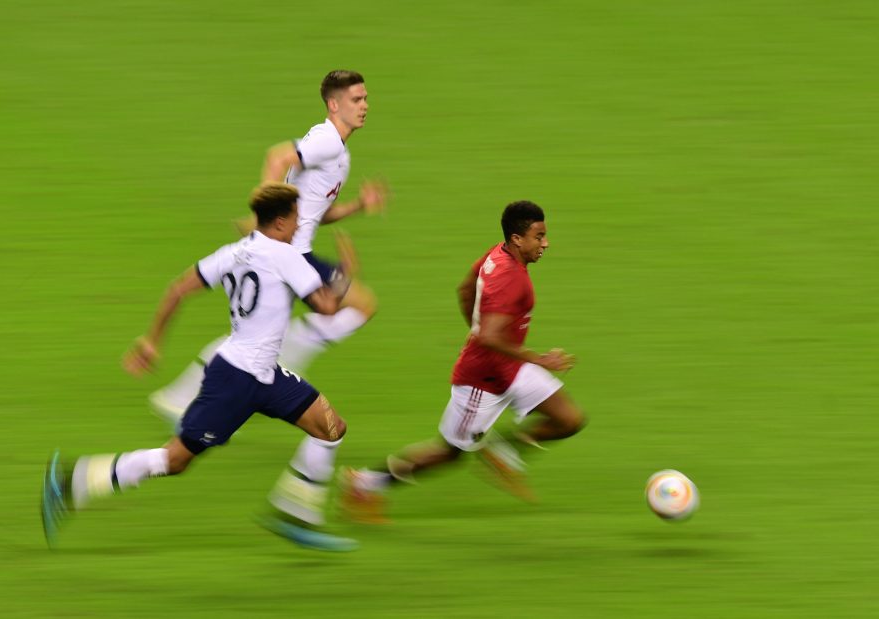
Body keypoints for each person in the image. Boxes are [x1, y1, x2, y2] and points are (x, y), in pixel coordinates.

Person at [41, 183, 360, 551]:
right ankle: (72, 482)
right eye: (295, 217)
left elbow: (178, 288)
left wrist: (152, 340)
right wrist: (345, 274)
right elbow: (328, 308)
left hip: (263, 374)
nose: (300, 223)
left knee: (331, 427)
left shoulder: (232, 253)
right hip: (237, 382)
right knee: (174, 460)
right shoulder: (287, 257)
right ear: (280, 222)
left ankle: (296, 512)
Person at [149, 70, 388, 425]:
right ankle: (288, 356)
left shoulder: (337, 152)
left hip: (291, 247)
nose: (365, 106)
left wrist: (357, 206)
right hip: (294, 253)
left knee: (249, 334)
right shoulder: (328, 142)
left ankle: (178, 397)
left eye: (366, 98)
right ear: (333, 104)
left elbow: (316, 212)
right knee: (360, 306)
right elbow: (277, 157)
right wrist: (263, 208)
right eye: (357, 99)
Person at [340, 201, 587, 523]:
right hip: (481, 380)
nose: (545, 243)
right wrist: (539, 358)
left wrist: (478, 328)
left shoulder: (495, 255)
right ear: (516, 239)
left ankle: (504, 451)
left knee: (569, 419)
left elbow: (464, 290)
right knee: (449, 453)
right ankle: (364, 483)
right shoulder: (511, 279)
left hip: (511, 369)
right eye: (538, 237)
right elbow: (489, 337)